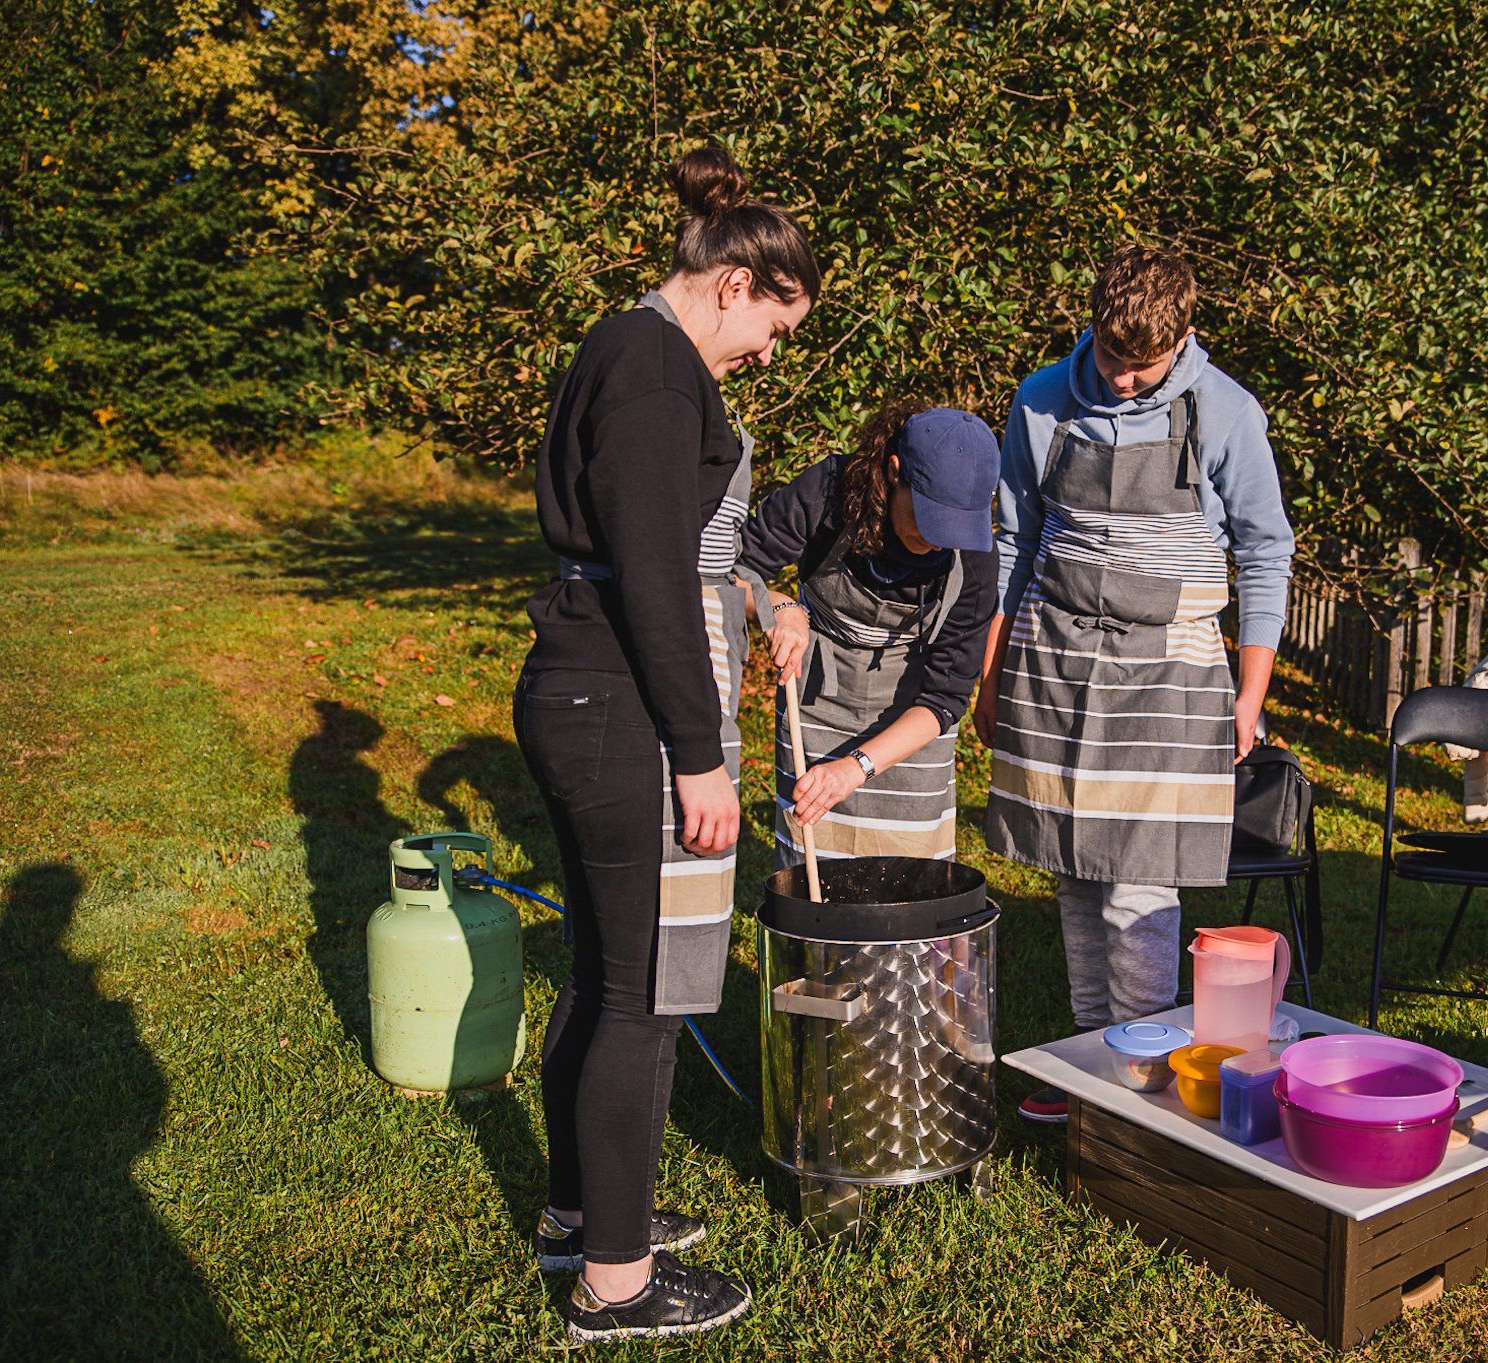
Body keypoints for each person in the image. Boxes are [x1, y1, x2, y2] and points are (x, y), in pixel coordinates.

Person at [512, 145, 818, 1343]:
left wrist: (755, 603)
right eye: (776, 327)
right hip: (619, 703)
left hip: (585, 690)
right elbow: (649, 572)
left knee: (601, 974)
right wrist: (699, 751)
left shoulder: (629, 348)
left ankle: (582, 1214)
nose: (771, 352)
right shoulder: (653, 370)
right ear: (735, 283)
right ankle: (618, 1283)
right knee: (642, 994)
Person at [976, 243, 1296, 1125]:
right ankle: (1091, 1060)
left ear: (1184, 337)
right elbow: (1013, 539)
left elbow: (1266, 553)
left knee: (1141, 882)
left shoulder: (1227, 411)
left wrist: (1250, 694)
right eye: (1113, 357)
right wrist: (992, 671)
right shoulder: (1042, 399)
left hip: (1172, 666)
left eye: (1143, 365)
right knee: (1075, 869)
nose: (1122, 379)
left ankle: (1144, 1072)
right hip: (1055, 657)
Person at [739, 403, 1001, 866]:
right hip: (818, 700)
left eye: (954, 527)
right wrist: (778, 606)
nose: (938, 541)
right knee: (810, 867)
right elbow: (734, 570)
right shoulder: (829, 493)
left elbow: (946, 697)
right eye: (929, 518)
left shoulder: (974, 558)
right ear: (894, 471)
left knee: (910, 877)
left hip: (912, 723)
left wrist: (856, 767)